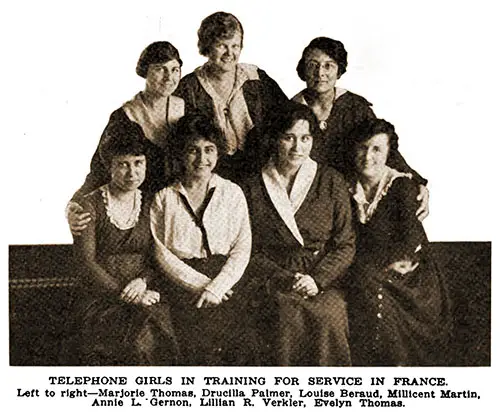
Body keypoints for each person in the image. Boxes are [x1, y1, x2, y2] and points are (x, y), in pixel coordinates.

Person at [242, 103, 355, 366]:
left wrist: (317, 279)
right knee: (283, 316)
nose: (297, 147)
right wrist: (285, 278)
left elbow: (345, 244)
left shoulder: (330, 180)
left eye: (305, 138)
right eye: (288, 137)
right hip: (273, 278)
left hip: (322, 278)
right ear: (274, 139)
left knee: (330, 316)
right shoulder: (252, 185)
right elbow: (245, 248)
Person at [150, 113, 256, 365]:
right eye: (193, 151)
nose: (202, 159)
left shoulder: (232, 193)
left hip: (228, 281)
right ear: (180, 154)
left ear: (218, 153)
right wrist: (201, 285)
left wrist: (217, 287)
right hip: (181, 284)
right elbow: (161, 252)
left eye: (209, 150)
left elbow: (243, 248)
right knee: (192, 344)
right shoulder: (164, 198)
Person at [345, 118, 451, 366]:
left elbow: (409, 244)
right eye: (362, 148)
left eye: (376, 149)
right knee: (363, 282)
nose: (367, 156)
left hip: (409, 274)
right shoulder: (348, 187)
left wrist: (374, 267)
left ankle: (394, 364)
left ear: (389, 153)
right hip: (369, 269)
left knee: (370, 287)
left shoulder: (400, 186)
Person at [72, 122, 179, 365]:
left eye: (138, 163)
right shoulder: (91, 205)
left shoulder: (152, 202)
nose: (132, 173)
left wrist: (142, 283)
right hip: (102, 297)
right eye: (123, 165)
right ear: (109, 167)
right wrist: (125, 293)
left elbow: (157, 257)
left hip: (144, 288)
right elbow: (86, 263)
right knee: (136, 336)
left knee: (157, 326)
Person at [292, 37, 430, 220]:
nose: (320, 73)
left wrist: (417, 182)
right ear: (303, 69)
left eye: (328, 66)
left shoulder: (354, 107)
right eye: (313, 65)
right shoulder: (290, 111)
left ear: (339, 70)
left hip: (353, 193)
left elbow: (384, 147)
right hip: (311, 197)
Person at [68, 41, 185, 234]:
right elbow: (100, 168)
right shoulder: (125, 116)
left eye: (174, 70)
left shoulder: (186, 110)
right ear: (145, 71)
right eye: (160, 69)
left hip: (179, 210)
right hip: (140, 212)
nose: (169, 77)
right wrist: (74, 205)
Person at [176, 11, 288, 181]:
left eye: (235, 46)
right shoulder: (189, 87)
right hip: (210, 174)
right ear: (207, 47)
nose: (230, 53)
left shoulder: (256, 79)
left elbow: (287, 117)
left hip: (260, 170)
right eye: (222, 46)